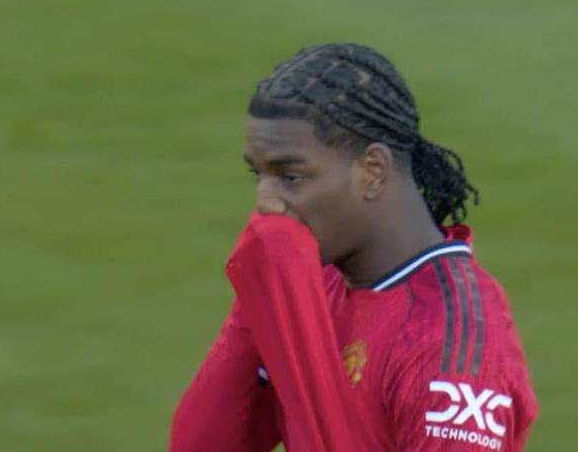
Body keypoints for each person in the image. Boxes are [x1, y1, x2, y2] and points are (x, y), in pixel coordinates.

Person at [170, 43, 538, 451]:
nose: (265, 203)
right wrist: (258, 293)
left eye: (290, 177)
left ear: (372, 170)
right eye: (258, 176)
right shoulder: (316, 281)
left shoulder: (448, 344)